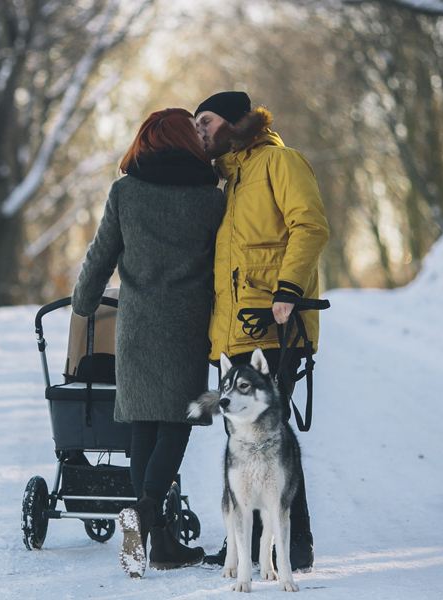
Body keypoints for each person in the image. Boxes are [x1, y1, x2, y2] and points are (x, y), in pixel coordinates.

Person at [72, 108, 224, 578]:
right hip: (186, 325)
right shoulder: (211, 199)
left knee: (142, 422)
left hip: (135, 325)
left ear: (145, 141)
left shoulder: (125, 191)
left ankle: (157, 538)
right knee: (177, 422)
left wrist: (83, 303)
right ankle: (151, 515)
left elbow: (101, 255)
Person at [193, 91, 329, 572]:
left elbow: (310, 226)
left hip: (275, 329)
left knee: (271, 440)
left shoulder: (280, 162)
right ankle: (271, 546)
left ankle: (283, 546)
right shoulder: (228, 181)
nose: (200, 130)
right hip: (232, 336)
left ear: (232, 122)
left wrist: (288, 288)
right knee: (248, 442)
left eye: (205, 121)